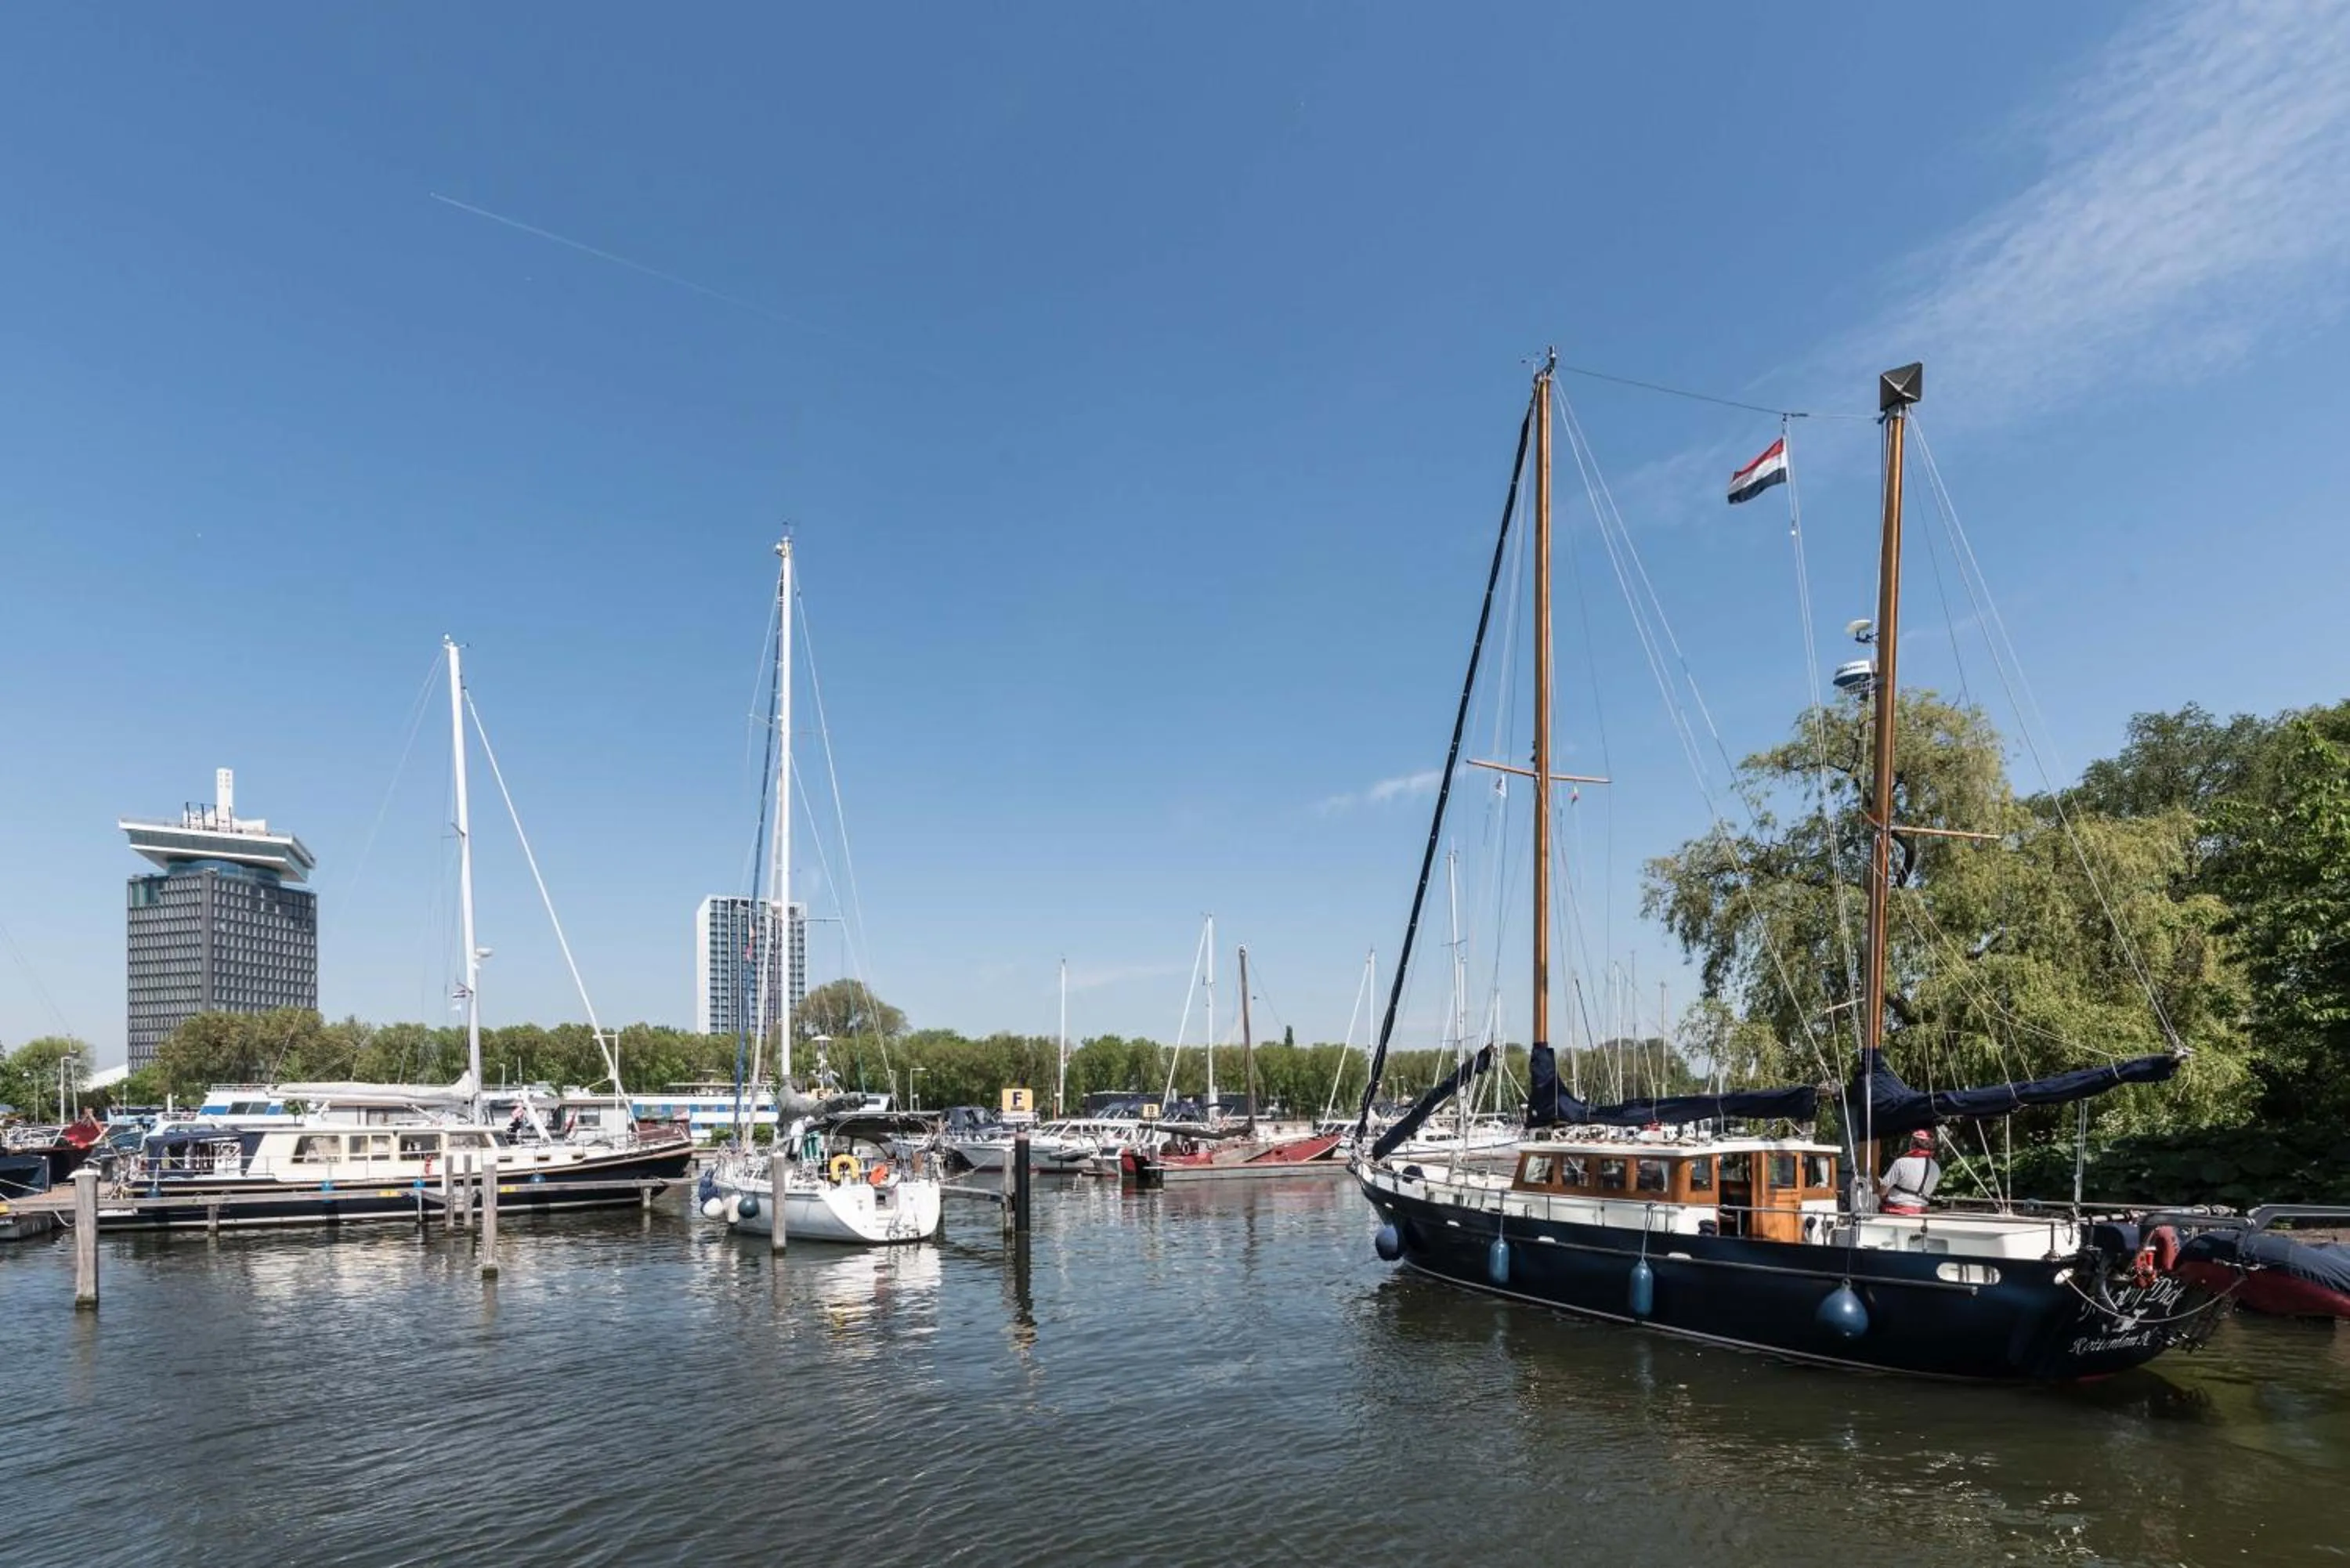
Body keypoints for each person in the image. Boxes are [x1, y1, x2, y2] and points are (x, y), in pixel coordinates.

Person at [1878, 1129, 1941, 1215]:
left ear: (1912, 1144)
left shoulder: (1902, 1162)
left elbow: (1883, 1191)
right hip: (1921, 1213)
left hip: (1896, 1211)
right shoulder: (1936, 1167)